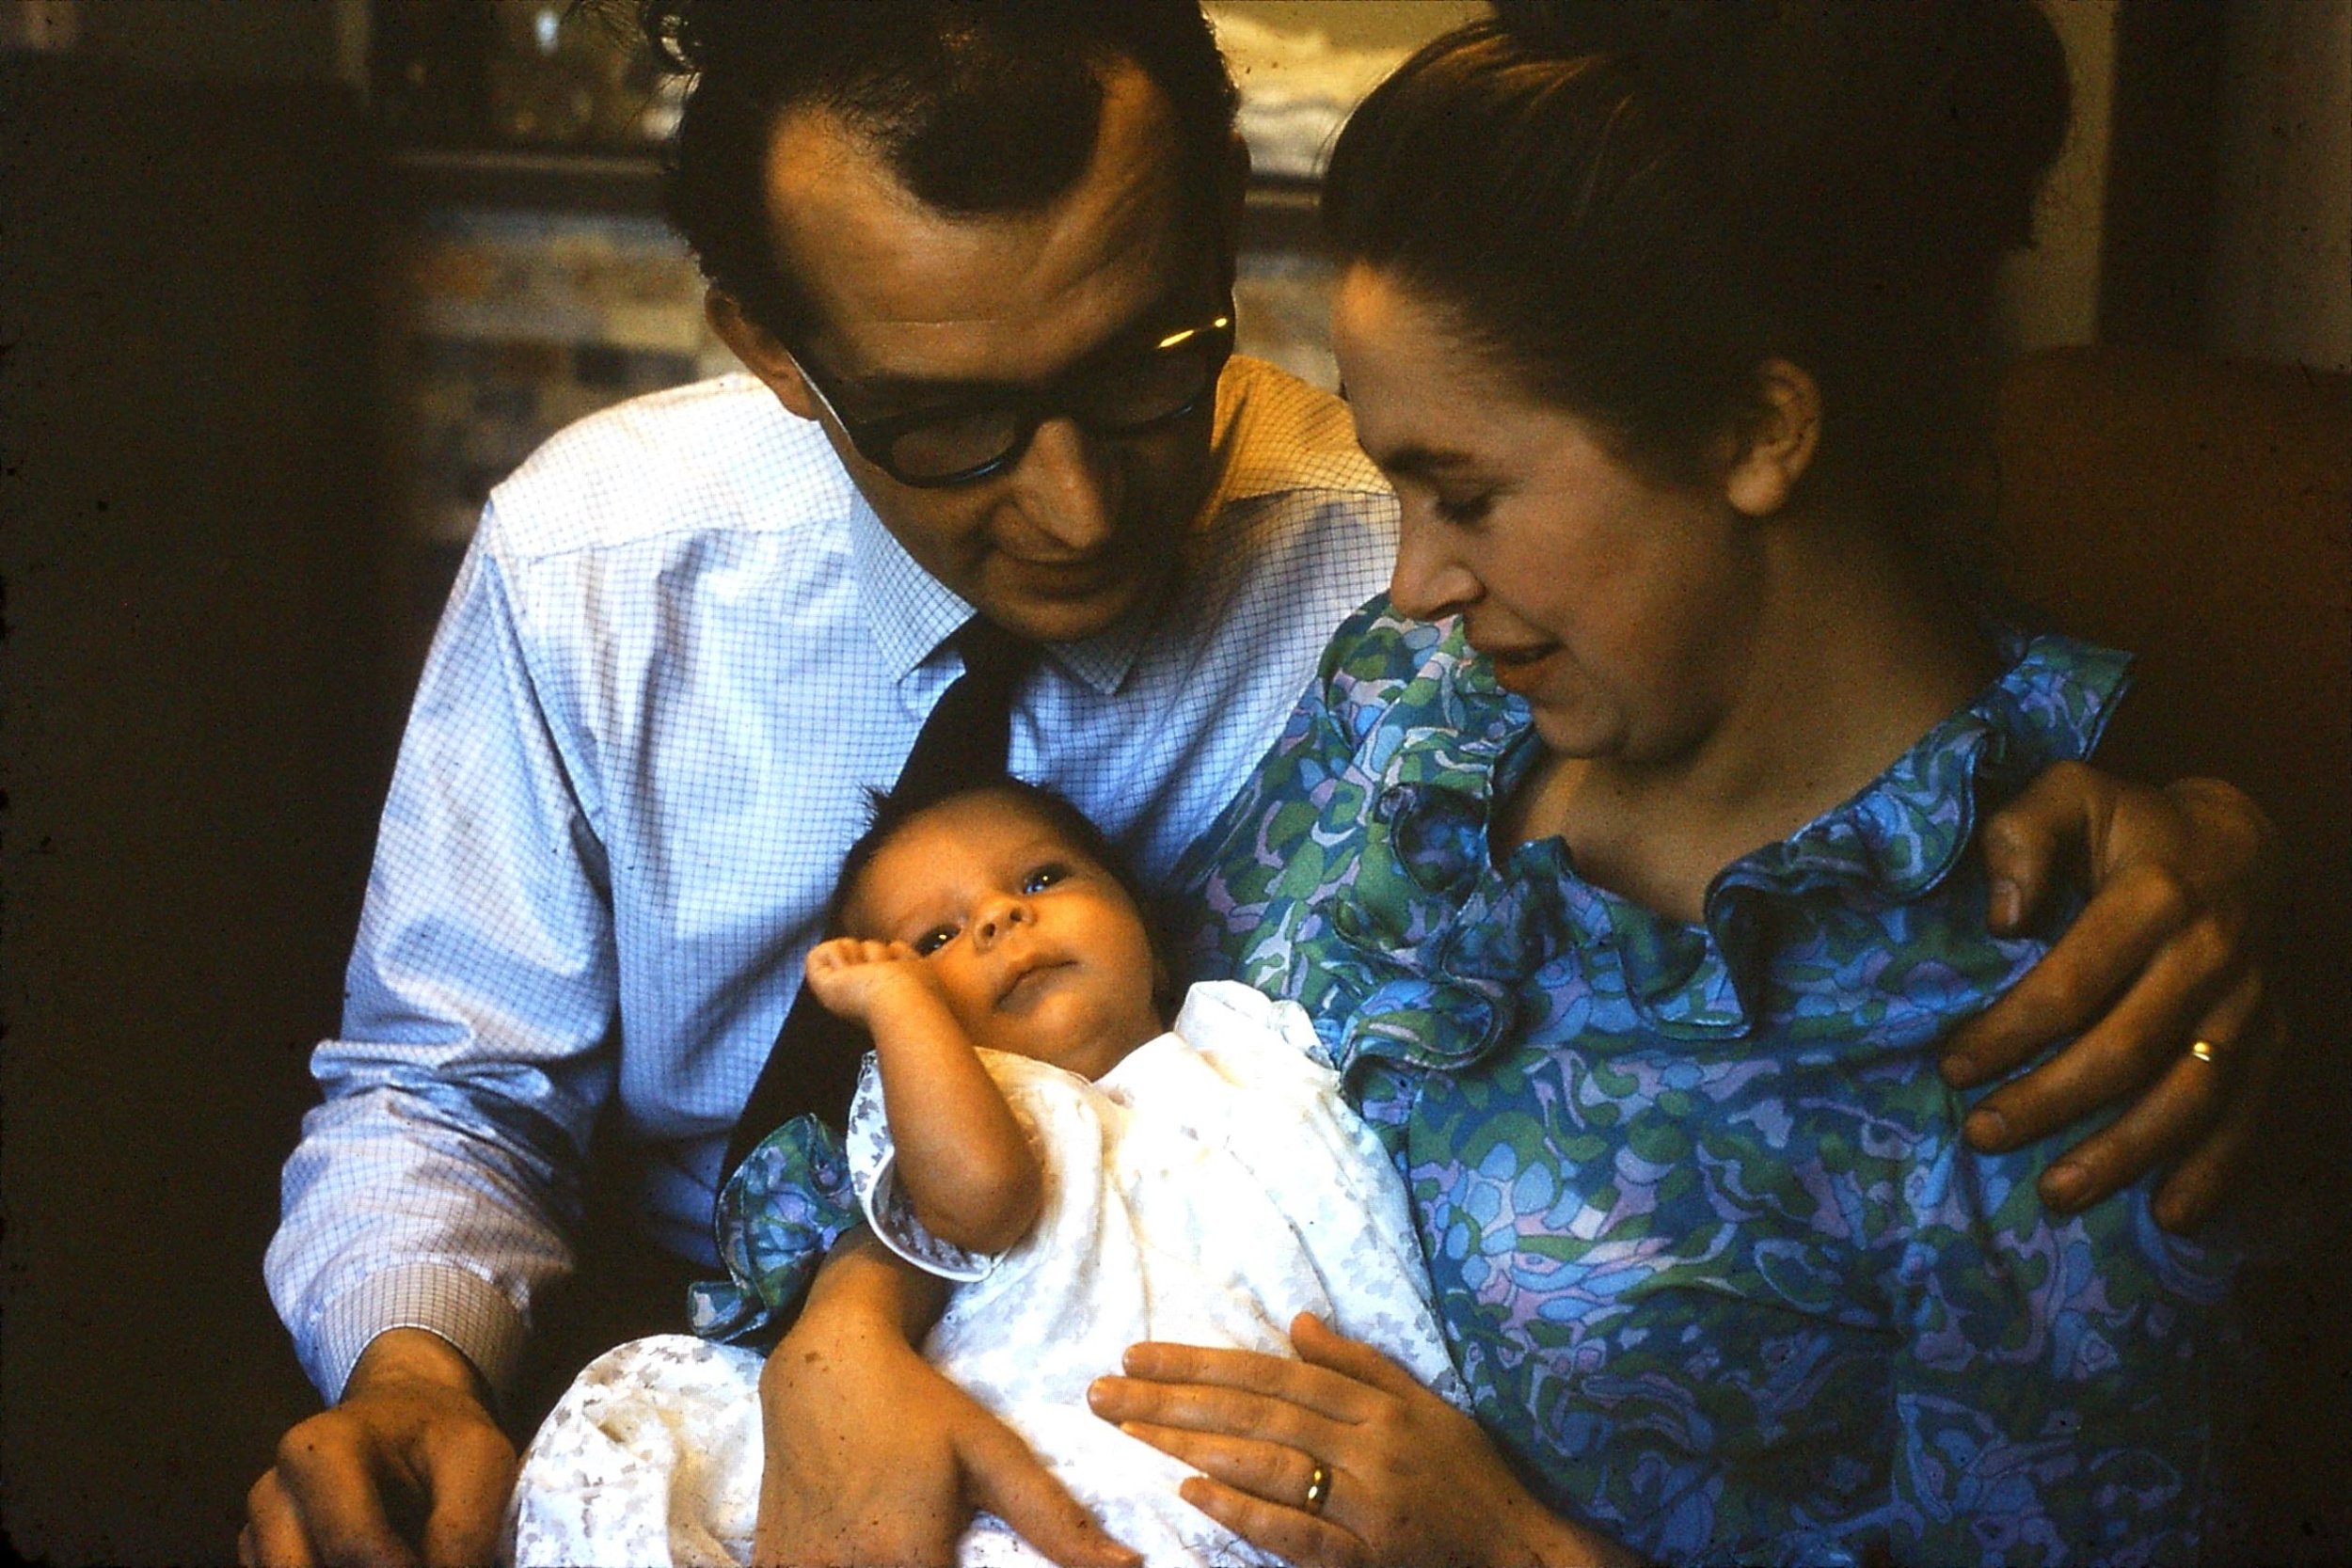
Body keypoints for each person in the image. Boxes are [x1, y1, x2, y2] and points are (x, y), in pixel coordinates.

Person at [242, 5, 2280, 1565]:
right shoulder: (605, 559)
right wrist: (813, 1330)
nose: (1069, 502)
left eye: (1145, 365)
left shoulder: (1376, 610)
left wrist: (2213, 824)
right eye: (949, 421)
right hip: (720, 1355)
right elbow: (450, 1078)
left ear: (1223, 234)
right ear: (775, 347)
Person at [1081, 5, 2244, 1561]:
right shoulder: (1417, 711)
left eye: (1469, 494)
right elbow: (1100, 1077)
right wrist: (865, 1337)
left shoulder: (2050, 1019)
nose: (1413, 575)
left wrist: (1512, 1547)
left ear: (1758, 432)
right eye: (1398, 483)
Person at [505, 779, 1465, 1567]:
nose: (1003, 915)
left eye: (1043, 877)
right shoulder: (985, 1101)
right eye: (935, 938)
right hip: (1032, 1467)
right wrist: (898, 1009)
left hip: (1287, 1462)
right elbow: (981, 1199)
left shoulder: (1249, 1033)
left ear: (1147, 929)